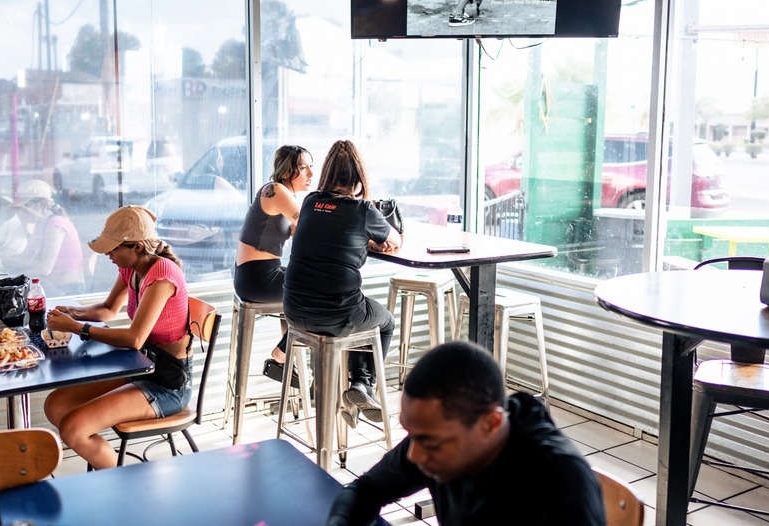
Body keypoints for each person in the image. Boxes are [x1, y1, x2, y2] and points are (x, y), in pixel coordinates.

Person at [326, 341, 606, 526]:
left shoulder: (560, 486)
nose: (413, 454)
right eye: (411, 434)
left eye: (429, 442)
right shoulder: (437, 437)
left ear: (491, 424)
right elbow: (366, 491)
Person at [43, 205, 191, 470]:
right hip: (141, 366)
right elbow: (108, 310)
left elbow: (135, 338)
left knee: (74, 429)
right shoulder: (131, 268)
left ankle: (125, 484)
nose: (108, 255)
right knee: (56, 404)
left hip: (168, 382)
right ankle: (110, 465)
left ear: (137, 247)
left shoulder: (162, 277)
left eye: (113, 249)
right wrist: (73, 312)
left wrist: (78, 328)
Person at [283, 139, 401, 426]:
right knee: (383, 322)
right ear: (359, 176)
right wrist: (372, 242)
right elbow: (395, 239)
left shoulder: (310, 202)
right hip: (337, 314)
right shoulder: (362, 210)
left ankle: (359, 388)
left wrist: (362, 241)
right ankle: (364, 385)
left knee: (358, 310)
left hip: (294, 313)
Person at [233, 144, 314, 378]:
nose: (310, 173)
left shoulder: (282, 195)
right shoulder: (276, 191)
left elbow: (302, 229)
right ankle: (281, 355)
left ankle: (287, 351)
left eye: (311, 166)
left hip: (257, 274)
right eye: (303, 167)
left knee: (321, 284)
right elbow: (311, 226)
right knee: (324, 288)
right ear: (288, 171)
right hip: (258, 278)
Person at [0, 179, 86, 296]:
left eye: (25, 206)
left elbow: (44, 269)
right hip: (51, 286)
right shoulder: (40, 225)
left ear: (42, 204)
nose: (22, 211)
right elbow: (27, 256)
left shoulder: (56, 225)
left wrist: (12, 273)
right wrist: (5, 259)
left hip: (67, 291)